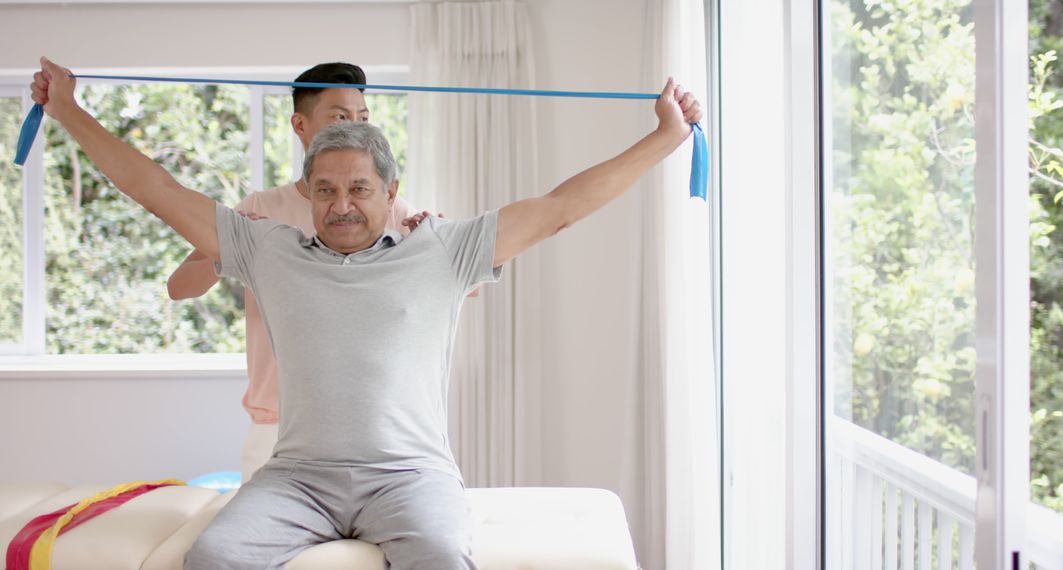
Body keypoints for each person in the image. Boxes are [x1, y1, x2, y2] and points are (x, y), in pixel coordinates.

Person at [31, 55, 702, 569]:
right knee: (212, 557)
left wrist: (666, 139)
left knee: (443, 558)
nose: (340, 203)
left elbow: (560, 209)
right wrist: (68, 110)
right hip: (298, 477)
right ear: (309, 191)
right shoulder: (269, 247)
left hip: (410, 475)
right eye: (325, 190)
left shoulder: (445, 247)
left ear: (391, 191)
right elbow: (158, 189)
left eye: (357, 188)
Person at [164, 62, 423, 482]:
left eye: (362, 118)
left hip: (372, 425)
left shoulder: (391, 209)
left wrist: (425, 243)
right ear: (300, 125)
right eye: (340, 117)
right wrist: (235, 249)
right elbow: (179, 287)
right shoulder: (260, 210)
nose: (355, 128)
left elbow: (465, 291)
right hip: (279, 426)